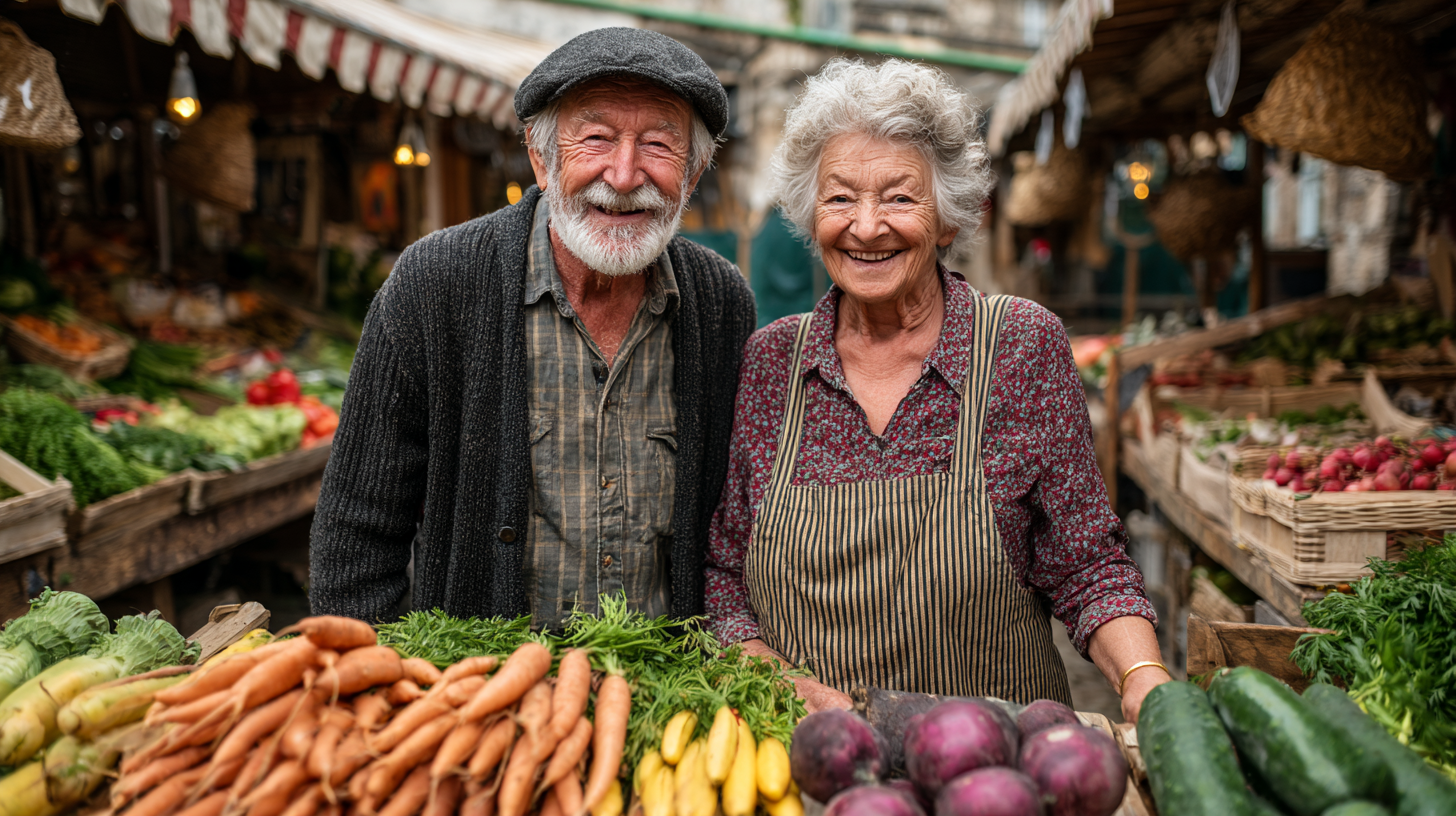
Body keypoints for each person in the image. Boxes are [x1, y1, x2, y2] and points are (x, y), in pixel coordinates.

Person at [704, 59, 1169, 723]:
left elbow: (1085, 561)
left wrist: (1143, 676)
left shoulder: (1020, 346)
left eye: (899, 197)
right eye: (840, 199)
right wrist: (773, 677)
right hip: (814, 768)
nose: (866, 227)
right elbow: (724, 573)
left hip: (997, 768)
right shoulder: (773, 361)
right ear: (811, 216)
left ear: (948, 216)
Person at [310, 28, 756, 630]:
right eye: (596, 139)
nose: (624, 176)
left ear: (694, 174)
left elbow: (736, 531)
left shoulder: (720, 303)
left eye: (658, 145)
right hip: (481, 697)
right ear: (542, 160)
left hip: (668, 698)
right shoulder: (436, 284)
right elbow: (355, 537)